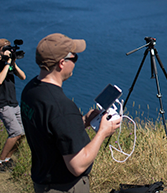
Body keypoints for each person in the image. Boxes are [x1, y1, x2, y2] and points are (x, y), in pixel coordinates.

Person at [20, 33, 121, 193]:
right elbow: (78, 165)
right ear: (61, 63)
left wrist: (83, 121)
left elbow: (51, 130)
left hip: (42, 180)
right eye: (74, 58)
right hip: (64, 186)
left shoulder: (30, 90)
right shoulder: (62, 107)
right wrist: (103, 132)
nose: (75, 62)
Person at [0, 38, 27, 172]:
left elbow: (23, 77)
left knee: (22, 133)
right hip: (1, 103)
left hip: (13, 102)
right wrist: (7, 63)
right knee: (15, 132)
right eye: (5, 48)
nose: (8, 51)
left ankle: (7, 159)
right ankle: (0, 162)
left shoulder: (9, 64)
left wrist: (13, 64)